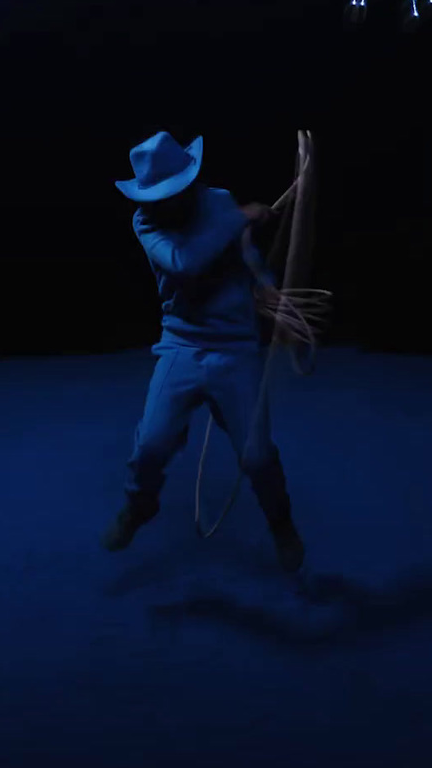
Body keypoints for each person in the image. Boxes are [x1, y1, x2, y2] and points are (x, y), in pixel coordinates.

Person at [102, 131, 306, 572]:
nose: (166, 202)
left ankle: (281, 523)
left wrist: (268, 293)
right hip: (182, 344)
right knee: (151, 445)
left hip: (235, 348)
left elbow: (247, 257)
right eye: (158, 194)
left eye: (173, 191)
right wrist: (242, 216)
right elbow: (184, 263)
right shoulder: (145, 222)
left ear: (189, 181)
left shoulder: (217, 201)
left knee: (256, 456)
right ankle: (139, 506)